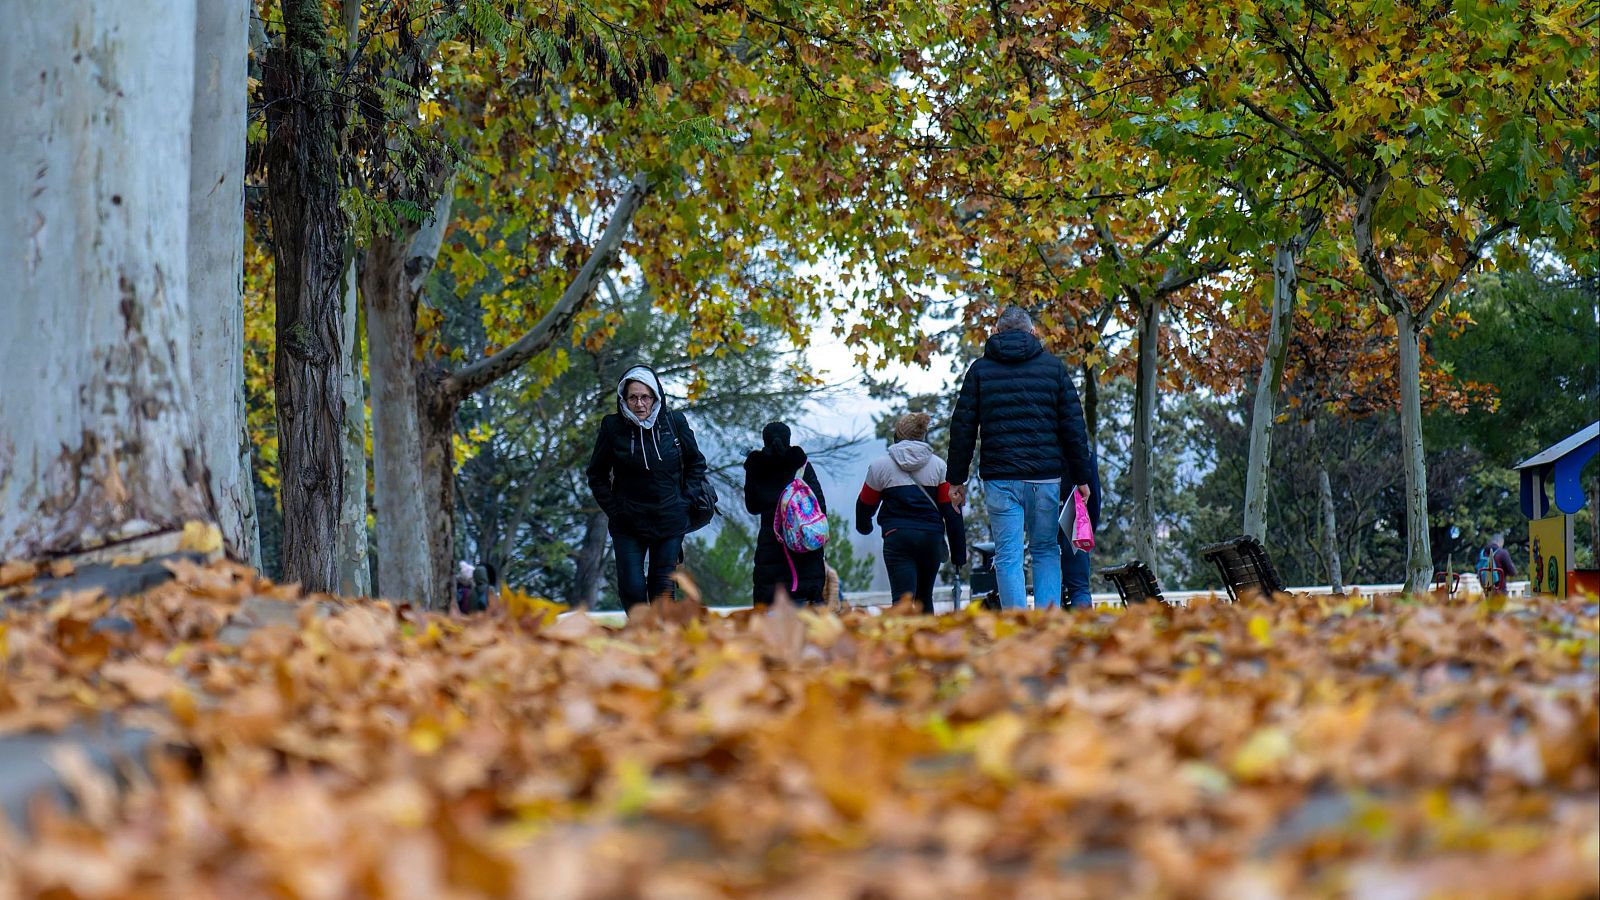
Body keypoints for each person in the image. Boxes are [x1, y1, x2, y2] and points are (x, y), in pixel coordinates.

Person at [947, 306, 1093, 610]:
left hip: (1000, 478)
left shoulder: (980, 371)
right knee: (1045, 550)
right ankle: (1048, 624)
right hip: (1045, 478)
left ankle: (1017, 627)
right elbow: (1073, 427)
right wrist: (1081, 477)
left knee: (1008, 555)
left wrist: (956, 480)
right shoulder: (1053, 369)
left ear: (997, 333)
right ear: (1033, 332)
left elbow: (962, 427)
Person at [586, 366, 707, 612]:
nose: (639, 403)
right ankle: (640, 638)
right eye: (633, 397)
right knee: (632, 588)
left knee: (662, 590)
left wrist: (685, 500)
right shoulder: (612, 427)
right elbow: (596, 475)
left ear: (655, 397)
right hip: (628, 522)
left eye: (645, 397)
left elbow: (696, 464)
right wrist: (616, 511)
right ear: (624, 399)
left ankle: (663, 645)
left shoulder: (674, 422)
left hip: (669, 519)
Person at [856, 412, 967, 613]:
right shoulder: (939, 466)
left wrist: (864, 525)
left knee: (902, 601)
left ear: (897, 435)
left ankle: (900, 643)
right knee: (925, 597)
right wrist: (959, 554)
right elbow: (952, 513)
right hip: (930, 539)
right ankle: (928, 642)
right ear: (923, 436)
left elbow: (866, 503)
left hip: (897, 538)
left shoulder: (880, 466)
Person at [744, 422, 829, 606]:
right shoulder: (801, 466)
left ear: (764, 440)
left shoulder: (757, 468)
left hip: (770, 545)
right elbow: (819, 505)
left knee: (771, 609)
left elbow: (752, 506)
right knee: (808, 614)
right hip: (804, 547)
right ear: (789, 439)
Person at [1060, 448, 1102, 610]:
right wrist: (1089, 527)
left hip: (1045, 514)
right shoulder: (1082, 449)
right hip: (1076, 518)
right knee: (1079, 588)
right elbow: (1095, 495)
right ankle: (1084, 630)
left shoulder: (1042, 440)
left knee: (1049, 582)